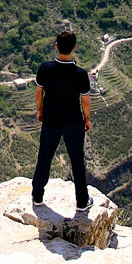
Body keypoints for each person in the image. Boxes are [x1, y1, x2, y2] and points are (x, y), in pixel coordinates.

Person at [32, 29, 92, 209]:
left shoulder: (45, 68)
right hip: (73, 122)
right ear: (74, 48)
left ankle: (37, 196)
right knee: (77, 160)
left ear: (57, 46)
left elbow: (38, 92)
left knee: (45, 157)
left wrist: (40, 110)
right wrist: (87, 119)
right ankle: (82, 202)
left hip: (51, 120)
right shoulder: (80, 74)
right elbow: (85, 101)